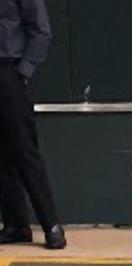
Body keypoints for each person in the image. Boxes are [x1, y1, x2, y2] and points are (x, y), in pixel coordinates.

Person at [0, 0, 64, 250]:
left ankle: (52, 226)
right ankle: (16, 225)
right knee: (2, 155)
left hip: (8, 72)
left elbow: (40, 30)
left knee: (25, 151)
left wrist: (23, 71)